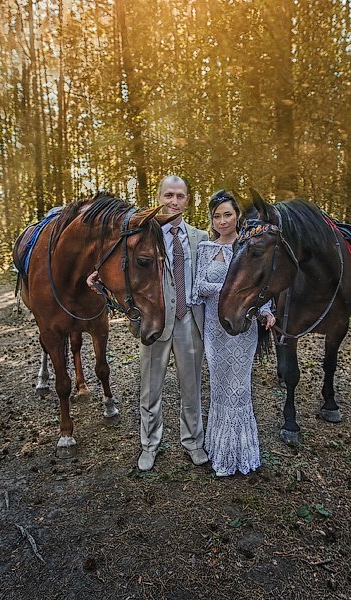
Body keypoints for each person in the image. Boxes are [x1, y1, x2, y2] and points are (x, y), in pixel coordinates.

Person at [191, 190, 275, 477]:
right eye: (217, 216)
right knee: (219, 387)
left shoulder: (248, 246)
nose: (222, 220)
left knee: (239, 388)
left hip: (243, 327)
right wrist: (226, 290)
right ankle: (219, 449)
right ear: (211, 219)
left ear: (237, 215)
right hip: (214, 328)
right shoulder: (204, 248)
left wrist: (266, 310)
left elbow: (259, 284)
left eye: (228, 214)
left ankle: (242, 452)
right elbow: (197, 288)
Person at [136, 176, 209, 471]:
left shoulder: (200, 237)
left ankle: (193, 442)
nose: (173, 201)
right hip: (156, 322)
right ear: (159, 197)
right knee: (150, 389)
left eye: (180, 196)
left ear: (187, 200)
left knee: (191, 388)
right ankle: (149, 445)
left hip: (190, 322)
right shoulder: (144, 237)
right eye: (168, 195)